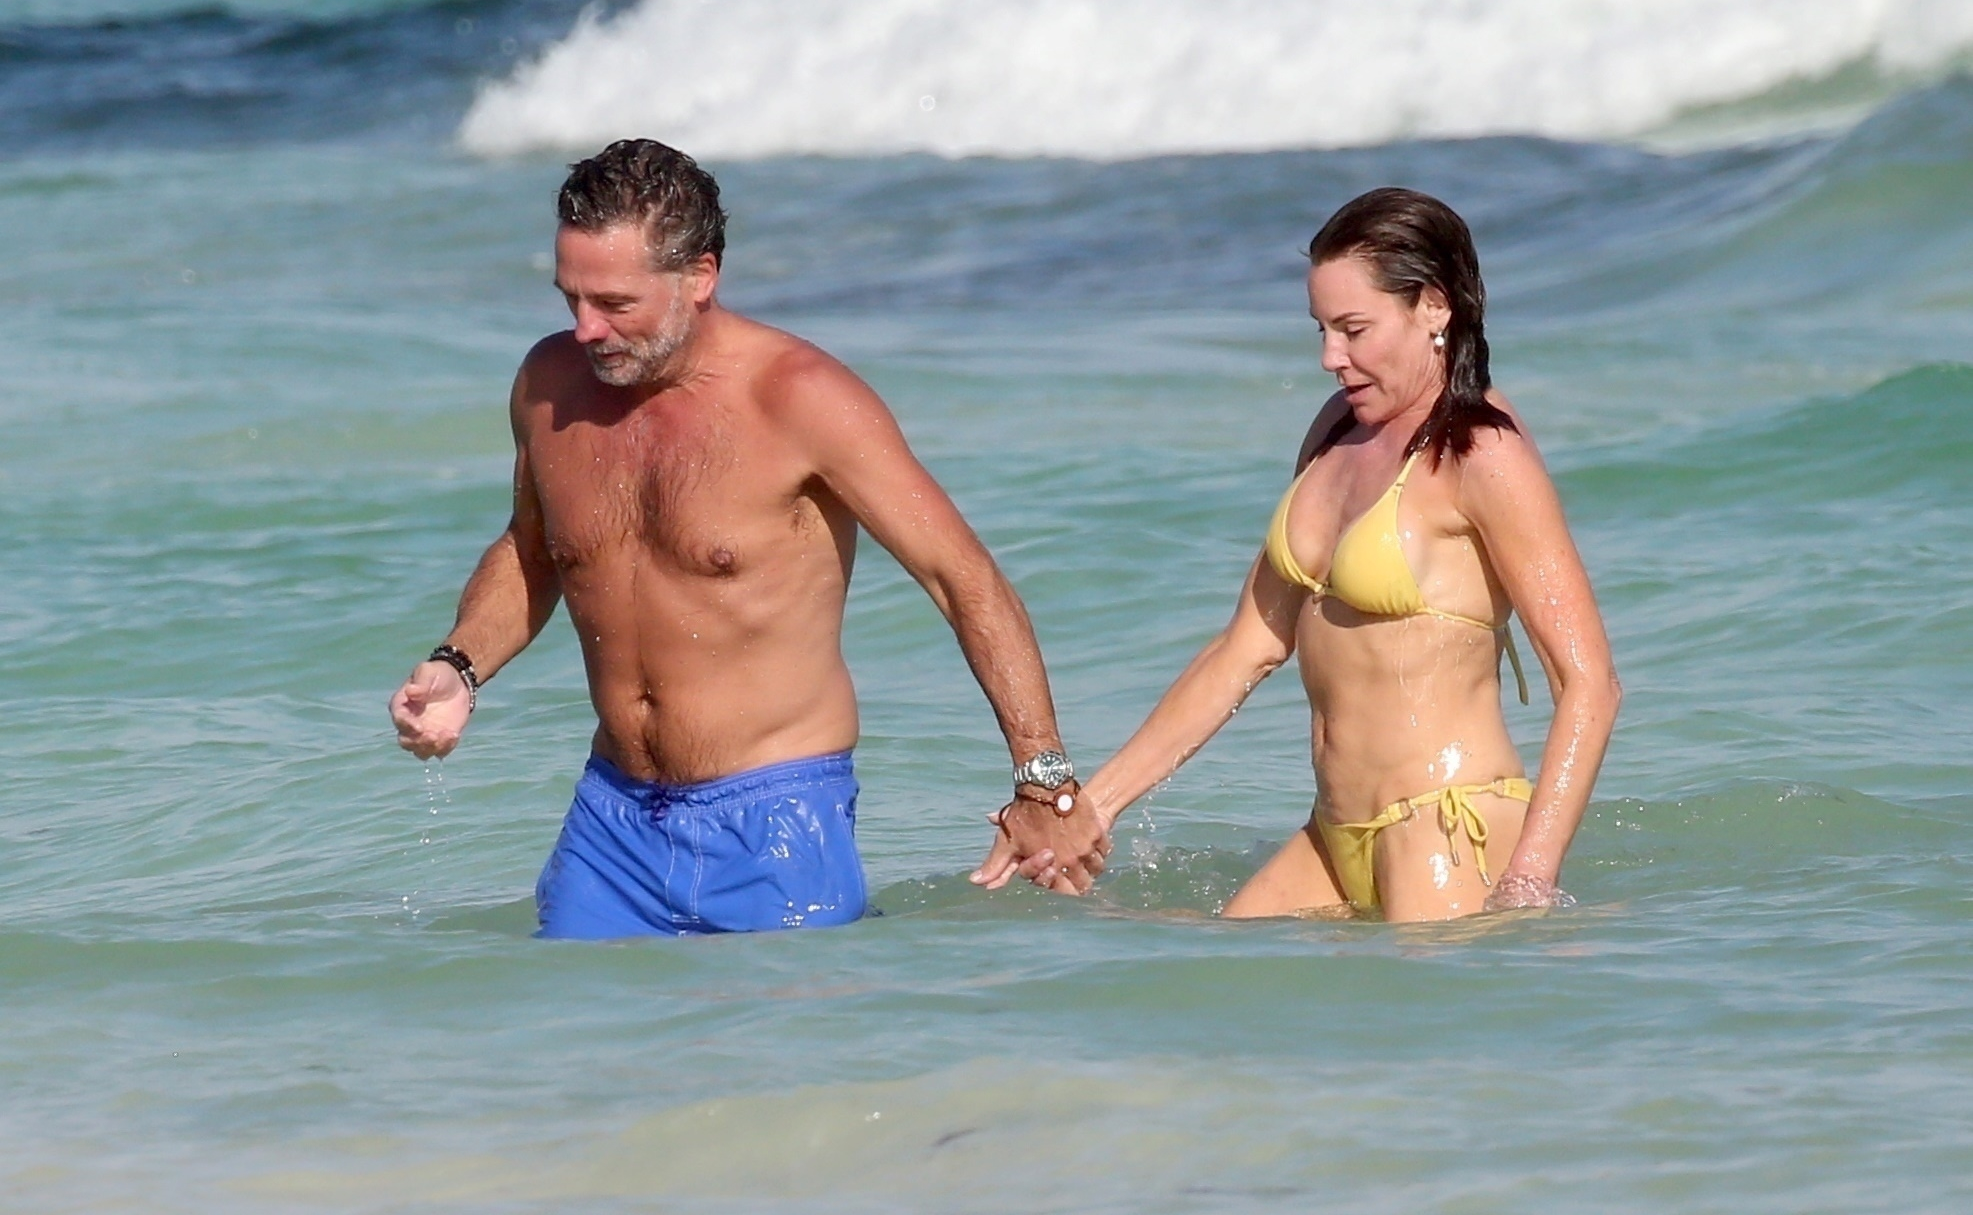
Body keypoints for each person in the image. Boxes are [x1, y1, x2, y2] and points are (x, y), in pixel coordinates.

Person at [390, 139, 1107, 938]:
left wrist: (1045, 783)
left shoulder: (801, 399)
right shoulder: (548, 384)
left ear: (699, 276)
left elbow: (962, 579)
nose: (586, 330)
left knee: (792, 1021)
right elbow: (531, 551)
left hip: (776, 820)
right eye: (571, 299)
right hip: (610, 822)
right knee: (566, 1017)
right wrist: (461, 663)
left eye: (615, 304)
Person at [974, 187, 1619, 920]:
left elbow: (1589, 684)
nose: (1329, 358)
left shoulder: (1482, 453)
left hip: (1444, 825)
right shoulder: (1334, 430)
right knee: (1205, 978)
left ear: (1434, 307)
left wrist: (1530, 875)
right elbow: (1244, 649)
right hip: (1332, 833)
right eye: (1321, 329)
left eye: (1353, 330)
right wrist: (1089, 809)